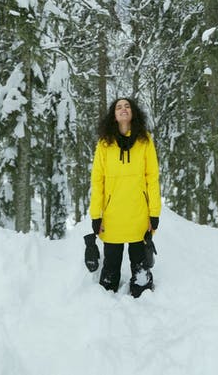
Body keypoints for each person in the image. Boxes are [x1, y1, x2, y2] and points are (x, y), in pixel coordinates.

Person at [89, 97, 161, 297]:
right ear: (113, 115)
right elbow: (97, 181)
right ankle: (107, 304)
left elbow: (152, 178)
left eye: (127, 106)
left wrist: (154, 213)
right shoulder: (104, 144)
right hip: (112, 215)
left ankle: (142, 295)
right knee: (109, 277)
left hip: (139, 213)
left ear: (133, 113)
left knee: (141, 276)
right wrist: (96, 215)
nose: (123, 109)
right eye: (119, 107)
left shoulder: (145, 141)